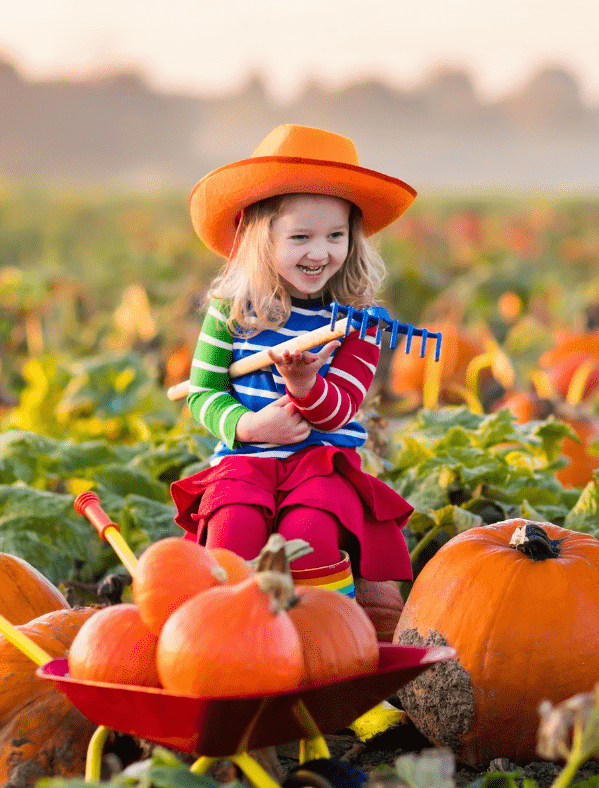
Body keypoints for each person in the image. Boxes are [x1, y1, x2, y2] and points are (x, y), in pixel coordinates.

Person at [170, 124, 417, 598]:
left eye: (335, 235)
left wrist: (305, 385)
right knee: (231, 530)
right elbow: (203, 393)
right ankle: (228, 634)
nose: (320, 252)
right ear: (261, 237)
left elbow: (342, 407)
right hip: (244, 462)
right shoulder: (232, 308)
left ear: (354, 237)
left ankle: (325, 635)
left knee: (313, 533)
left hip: (321, 464)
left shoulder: (359, 322)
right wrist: (247, 426)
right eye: (300, 236)